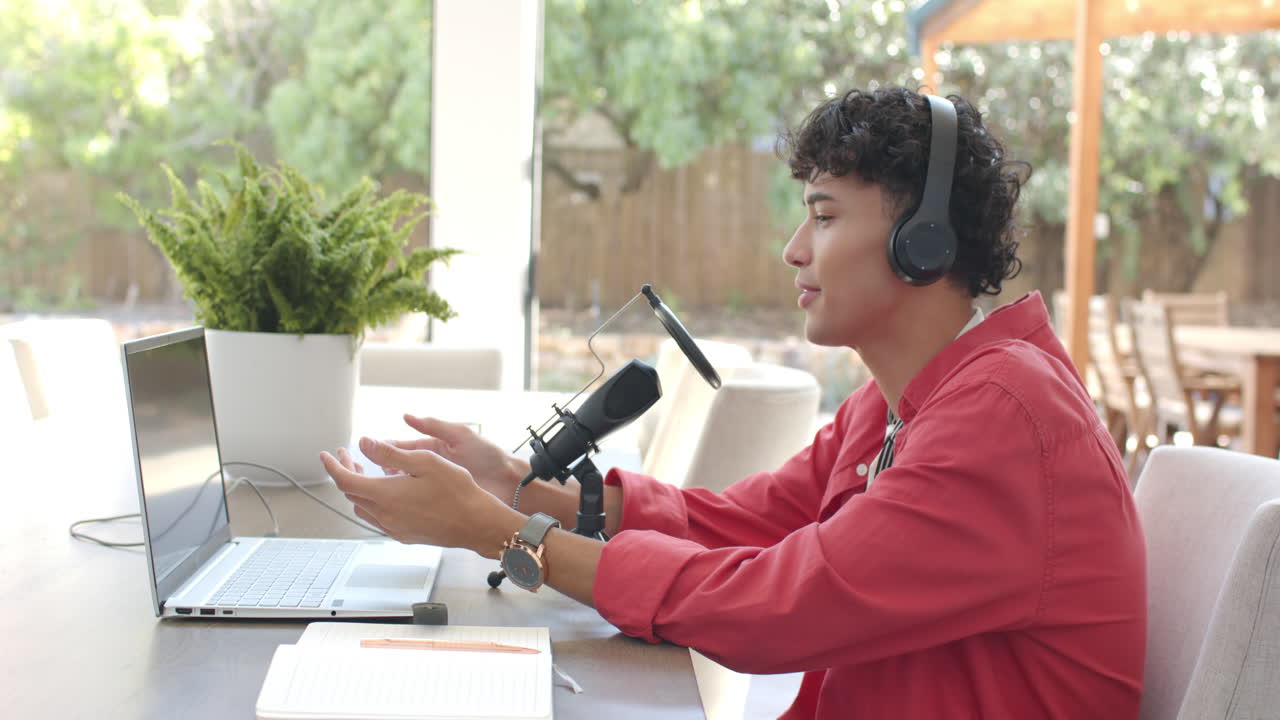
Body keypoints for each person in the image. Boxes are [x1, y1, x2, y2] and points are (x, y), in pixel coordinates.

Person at [321, 85, 1146, 719]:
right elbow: (742, 525)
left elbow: (779, 607)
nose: (794, 250)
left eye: (823, 216)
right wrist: (518, 489)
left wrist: (499, 532)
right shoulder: (899, 405)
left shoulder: (1006, 420)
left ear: (921, 244)